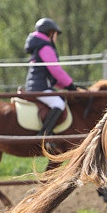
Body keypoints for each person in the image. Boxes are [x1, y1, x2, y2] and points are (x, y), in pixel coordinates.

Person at [24, 17, 78, 152]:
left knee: (58, 99)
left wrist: (66, 85)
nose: (56, 38)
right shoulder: (45, 46)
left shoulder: (39, 45)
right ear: (50, 33)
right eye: (55, 35)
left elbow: (52, 75)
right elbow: (55, 70)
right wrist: (70, 84)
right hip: (39, 87)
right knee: (59, 103)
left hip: (38, 86)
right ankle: (44, 135)